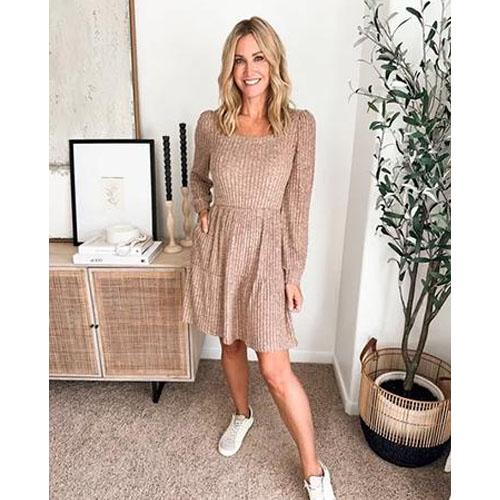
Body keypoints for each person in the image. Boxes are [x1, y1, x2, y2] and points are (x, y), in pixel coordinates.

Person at [181, 16, 336, 500]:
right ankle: (241, 414)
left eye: (259, 57)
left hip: (268, 252)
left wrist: (293, 271)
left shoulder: (298, 125)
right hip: (223, 248)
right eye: (239, 60)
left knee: (274, 370)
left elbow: (298, 204)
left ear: (274, 62)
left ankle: (314, 469)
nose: (249, 70)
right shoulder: (213, 123)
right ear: (229, 67)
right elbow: (198, 178)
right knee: (230, 344)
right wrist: (204, 210)